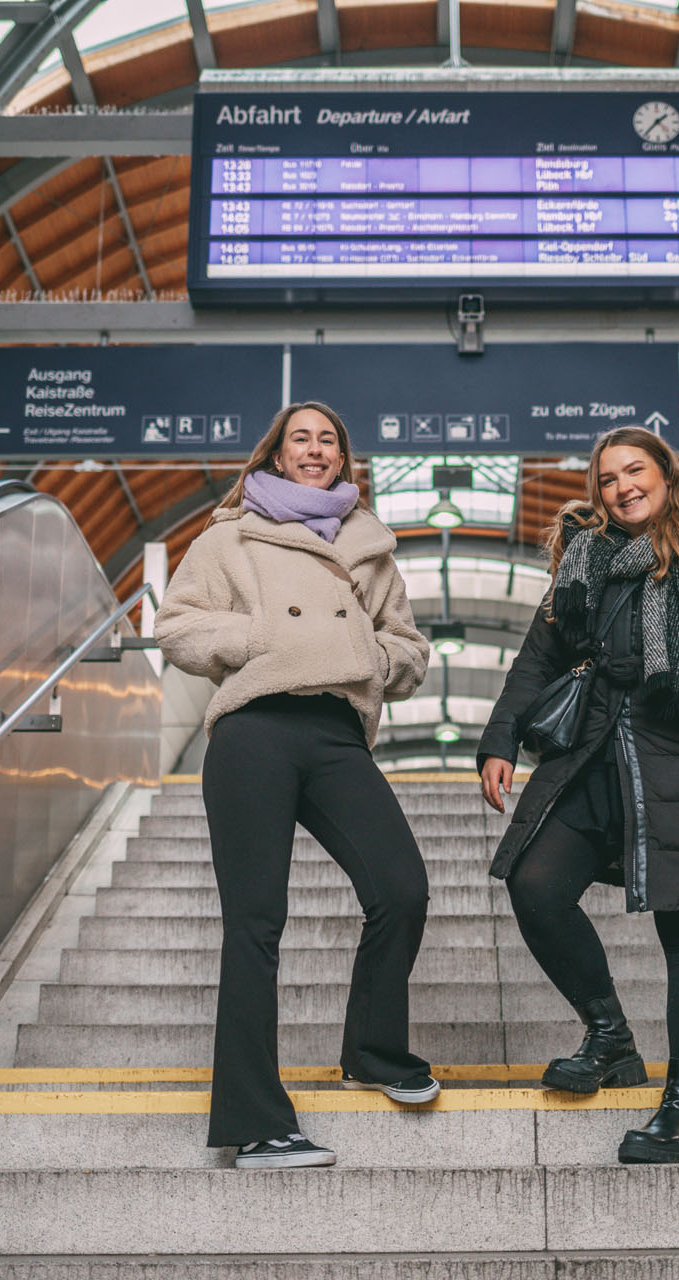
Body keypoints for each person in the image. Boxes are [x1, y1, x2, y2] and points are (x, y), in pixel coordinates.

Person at [476, 425, 679, 1164]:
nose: (622, 487)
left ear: (667, 475)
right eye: (608, 478)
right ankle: (610, 1036)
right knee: (534, 883)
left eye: (634, 470)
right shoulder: (584, 559)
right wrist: (499, 740)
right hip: (591, 754)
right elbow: (537, 657)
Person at [150, 400, 437, 1169]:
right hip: (253, 729)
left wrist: (374, 659)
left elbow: (410, 644)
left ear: (345, 458)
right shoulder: (229, 534)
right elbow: (175, 625)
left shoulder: (369, 546)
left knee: (401, 887)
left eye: (329, 441)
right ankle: (254, 1123)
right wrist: (254, 638)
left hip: (337, 730)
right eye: (300, 439)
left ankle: (373, 1051)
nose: (315, 450)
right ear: (276, 456)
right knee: (256, 923)